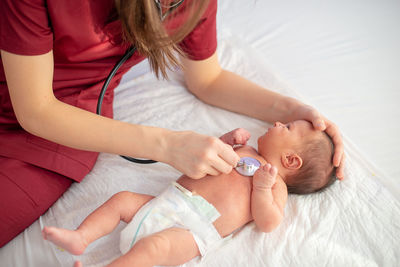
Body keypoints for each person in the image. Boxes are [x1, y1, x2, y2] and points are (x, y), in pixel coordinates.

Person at [0, 0, 344, 247]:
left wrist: (296, 111)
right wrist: (165, 145)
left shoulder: (194, 5)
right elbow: (35, 109)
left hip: (67, 126)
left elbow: (207, 80)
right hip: (35, 106)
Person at [42, 120, 336, 267]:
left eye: (286, 127)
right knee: (122, 200)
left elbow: (269, 222)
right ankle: (82, 238)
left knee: (152, 249)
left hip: (194, 229)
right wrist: (226, 142)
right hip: (169, 200)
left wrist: (261, 189)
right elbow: (205, 160)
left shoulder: (276, 185)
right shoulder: (247, 150)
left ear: (291, 161)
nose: (276, 123)